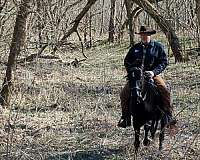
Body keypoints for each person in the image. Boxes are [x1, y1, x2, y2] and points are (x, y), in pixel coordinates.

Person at [118, 25, 177, 128]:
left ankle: (168, 116)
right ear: (140, 36)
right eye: (142, 35)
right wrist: (132, 72)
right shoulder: (135, 48)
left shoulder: (158, 47)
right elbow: (127, 61)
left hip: (153, 75)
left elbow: (163, 62)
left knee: (165, 91)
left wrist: (153, 72)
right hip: (137, 76)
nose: (144, 37)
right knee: (124, 93)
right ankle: (125, 117)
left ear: (150, 35)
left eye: (146, 35)